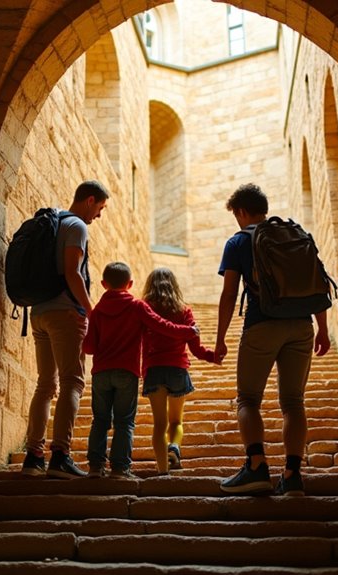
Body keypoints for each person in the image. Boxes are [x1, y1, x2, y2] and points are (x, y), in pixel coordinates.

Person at [214, 183, 330, 496]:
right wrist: (324, 329)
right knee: (293, 402)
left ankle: (256, 467)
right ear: (263, 208)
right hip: (302, 326)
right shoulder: (295, 235)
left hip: (262, 325)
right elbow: (317, 284)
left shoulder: (238, 241)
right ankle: (292, 476)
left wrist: (220, 338)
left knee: (248, 399)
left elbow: (229, 295)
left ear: (240, 211)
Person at [21, 180, 109, 479]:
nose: (98, 216)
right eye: (100, 208)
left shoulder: (53, 220)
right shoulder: (77, 227)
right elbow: (72, 272)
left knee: (45, 385)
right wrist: (89, 310)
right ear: (90, 200)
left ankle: (33, 457)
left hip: (38, 312)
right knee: (73, 381)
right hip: (64, 314)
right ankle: (60, 455)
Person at [83, 262, 201, 479]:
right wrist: (189, 331)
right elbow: (162, 325)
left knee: (99, 419)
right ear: (130, 284)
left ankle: (95, 467)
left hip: (101, 372)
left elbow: (88, 347)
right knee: (125, 421)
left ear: (103, 284)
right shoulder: (137, 307)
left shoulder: (98, 310)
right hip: (127, 371)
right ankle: (120, 468)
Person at [140, 267, 218, 475]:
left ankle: (162, 469)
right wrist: (213, 356)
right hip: (177, 370)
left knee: (159, 423)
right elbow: (196, 349)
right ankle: (174, 447)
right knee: (176, 420)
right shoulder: (184, 311)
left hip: (154, 369)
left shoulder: (144, 309)